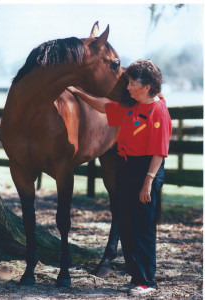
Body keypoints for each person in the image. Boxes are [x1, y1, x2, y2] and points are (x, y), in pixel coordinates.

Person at [67, 59, 172, 296]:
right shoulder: (130, 106)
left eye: (133, 83)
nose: (128, 87)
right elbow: (103, 106)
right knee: (125, 223)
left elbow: (159, 153)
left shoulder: (158, 111)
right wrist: (76, 91)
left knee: (143, 227)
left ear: (147, 87)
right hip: (126, 167)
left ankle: (148, 282)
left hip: (147, 170)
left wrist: (147, 184)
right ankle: (136, 277)